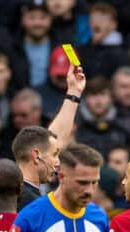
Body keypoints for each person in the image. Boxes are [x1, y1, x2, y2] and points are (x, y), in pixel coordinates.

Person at [12, 63, 85, 211]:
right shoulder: (26, 201)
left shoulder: (18, 189)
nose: (58, 163)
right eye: (55, 155)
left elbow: (54, 139)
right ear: (36, 156)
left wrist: (74, 92)